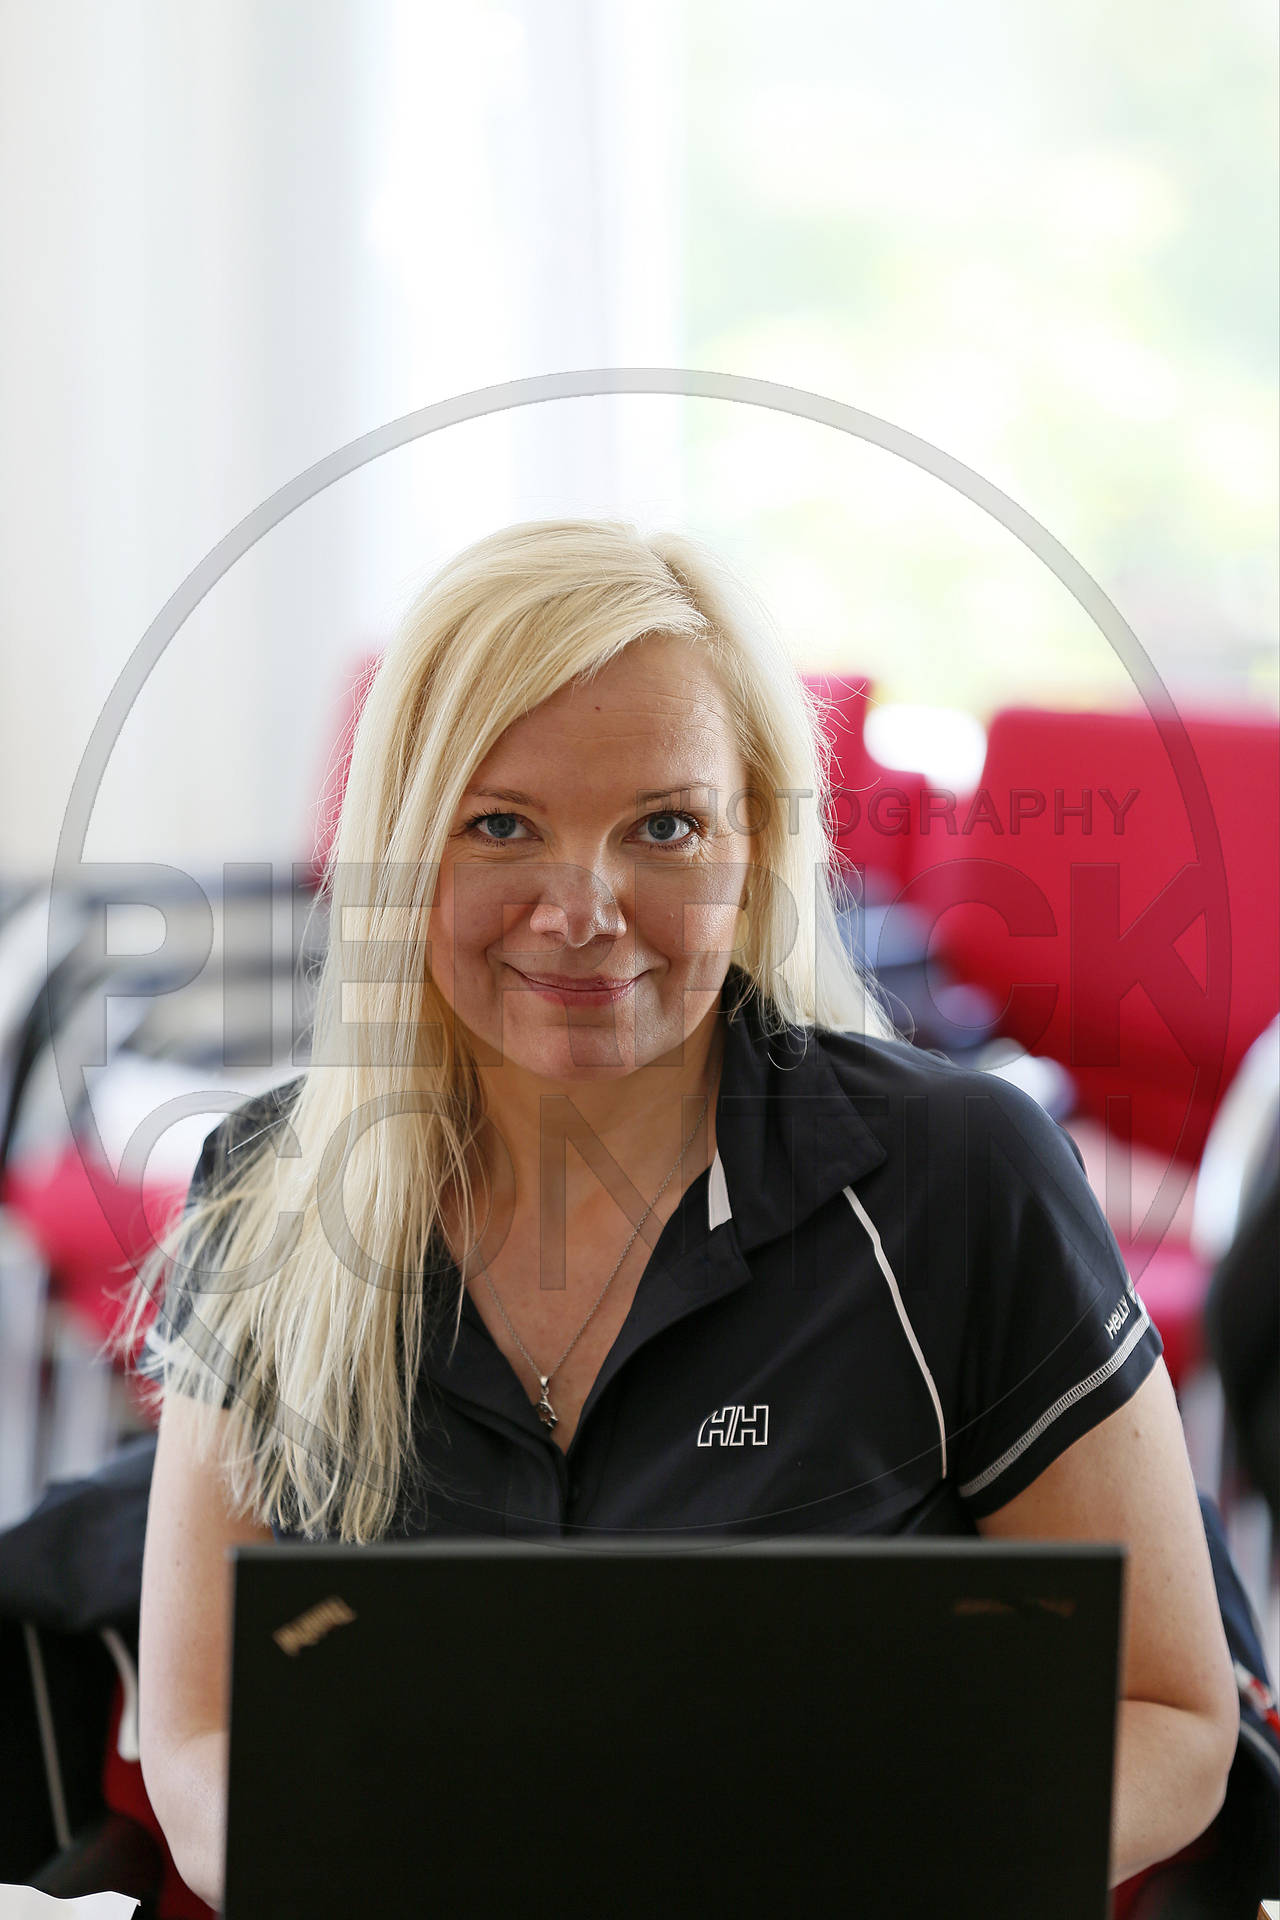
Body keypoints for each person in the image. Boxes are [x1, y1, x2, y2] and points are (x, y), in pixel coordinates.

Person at [113, 517, 1239, 1913]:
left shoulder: (957, 1179)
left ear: (752, 844)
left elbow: (1170, 1716)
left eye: (664, 826)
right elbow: (204, 1736)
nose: (583, 910)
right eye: (501, 823)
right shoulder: (268, 1187)